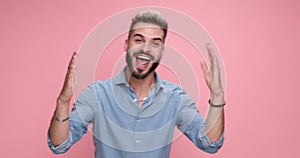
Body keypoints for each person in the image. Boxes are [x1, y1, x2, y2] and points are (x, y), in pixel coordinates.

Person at [48, 10, 225, 158]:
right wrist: (63, 101)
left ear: (162, 51)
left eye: (155, 43)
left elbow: (209, 143)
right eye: (139, 40)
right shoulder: (97, 94)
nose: (146, 49)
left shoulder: (175, 98)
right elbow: (59, 144)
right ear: (126, 44)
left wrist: (217, 96)